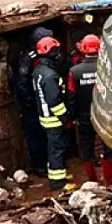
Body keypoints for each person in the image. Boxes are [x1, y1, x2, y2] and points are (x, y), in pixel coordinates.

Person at [67, 34, 112, 186]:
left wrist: (72, 116)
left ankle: (92, 182)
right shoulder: (109, 68)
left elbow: (71, 96)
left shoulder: (74, 72)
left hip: (84, 116)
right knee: (108, 147)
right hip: (105, 116)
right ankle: (109, 181)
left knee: (86, 149)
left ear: (83, 49)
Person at [32, 36, 72, 190]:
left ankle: (58, 174)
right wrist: (65, 118)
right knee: (57, 149)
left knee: (54, 148)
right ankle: (58, 182)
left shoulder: (39, 71)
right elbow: (54, 100)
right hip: (54, 119)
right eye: (56, 50)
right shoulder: (49, 76)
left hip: (46, 117)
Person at [11, 26, 53, 177]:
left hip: (42, 102)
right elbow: (22, 83)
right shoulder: (27, 58)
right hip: (31, 105)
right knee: (34, 135)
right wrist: (30, 102)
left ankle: (50, 162)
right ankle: (39, 166)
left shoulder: (43, 55)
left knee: (47, 134)